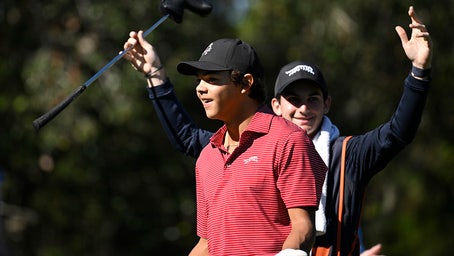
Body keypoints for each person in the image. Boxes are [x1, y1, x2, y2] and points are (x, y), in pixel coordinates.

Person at [123, 5, 432, 256]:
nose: (303, 109)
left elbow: (396, 134)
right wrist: (155, 75)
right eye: (293, 100)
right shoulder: (221, 149)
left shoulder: (346, 153)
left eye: (313, 100)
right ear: (275, 105)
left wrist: (419, 72)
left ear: (327, 104)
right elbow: (188, 139)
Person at [124, 37, 328, 255]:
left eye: (211, 80)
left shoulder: (288, 140)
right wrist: (154, 72)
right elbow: (206, 244)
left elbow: (303, 227)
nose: (200, 89)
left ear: (246, 83)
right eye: (199, 80)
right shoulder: (208, 156)